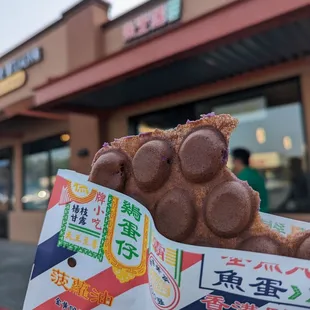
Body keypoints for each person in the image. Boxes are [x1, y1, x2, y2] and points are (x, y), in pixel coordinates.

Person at [232, 148, 269, 213]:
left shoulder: (244, 177)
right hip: (262, 213)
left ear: (237, 160)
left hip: (255, 216)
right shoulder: (253, 173)